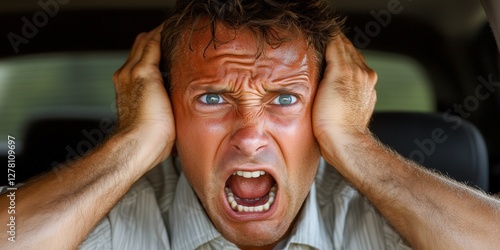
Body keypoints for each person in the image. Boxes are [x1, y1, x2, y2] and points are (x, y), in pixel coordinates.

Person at [1, 0, 500, 249]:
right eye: (212, 97)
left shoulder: (394, 225)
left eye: (285, 98)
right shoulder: (105, 225)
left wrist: (355, 144)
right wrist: (134, 143)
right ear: (167, 109)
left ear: (327, 106)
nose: (250, 135)